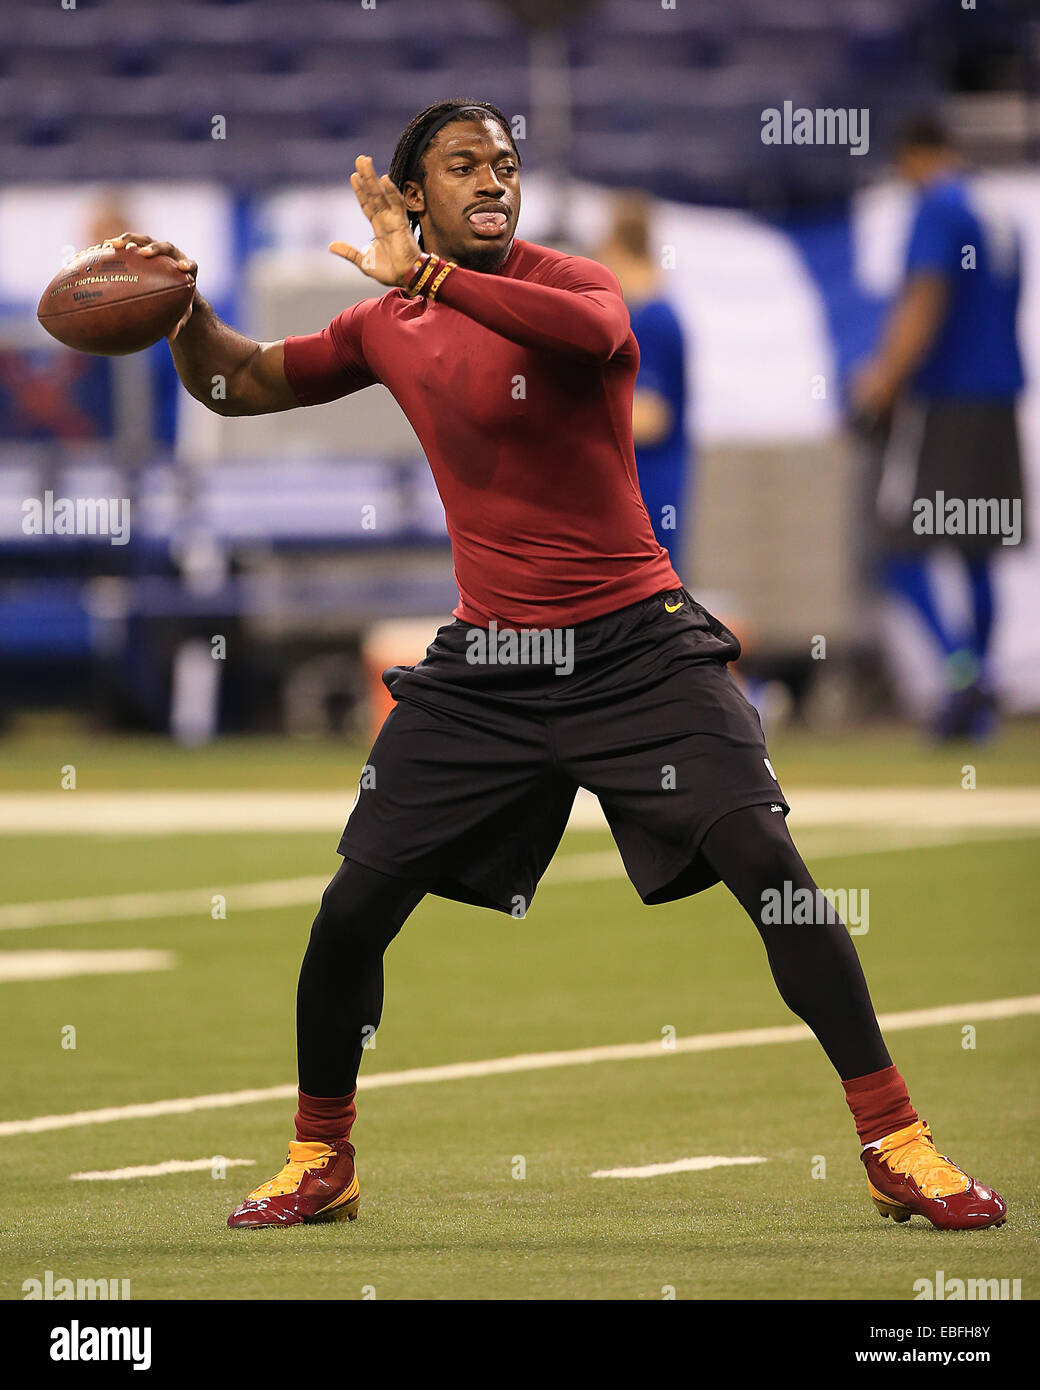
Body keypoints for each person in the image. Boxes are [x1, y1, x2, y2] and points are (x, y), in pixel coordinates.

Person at [109, 99, 1006, 1234]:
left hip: (636, 644)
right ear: (412, 194)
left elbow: (581, 341)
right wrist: (184, 309)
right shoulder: (388, 318)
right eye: (462, 164)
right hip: (490, 663)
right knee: (351, 910)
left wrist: (426, 280)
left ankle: (896, 1142)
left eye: (505, 162)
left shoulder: (571, 284)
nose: (492, 178)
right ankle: (316, 1155)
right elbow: (236, 383)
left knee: (766, 863)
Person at [852, 115, 1026, 740]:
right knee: (978, 550)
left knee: (893, 548)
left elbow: (924, 298)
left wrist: (882, 380)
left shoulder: (938, 206)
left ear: (914, 155)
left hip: (946, 404)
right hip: (998, 404)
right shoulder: (997, 208)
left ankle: (962, 675)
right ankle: (978, 689)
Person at [595, 192, 690, 569]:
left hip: (649, 490)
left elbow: (650, 419)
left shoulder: (651, 320)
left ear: (616, 247)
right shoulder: (648, 314)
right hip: (641, 489)